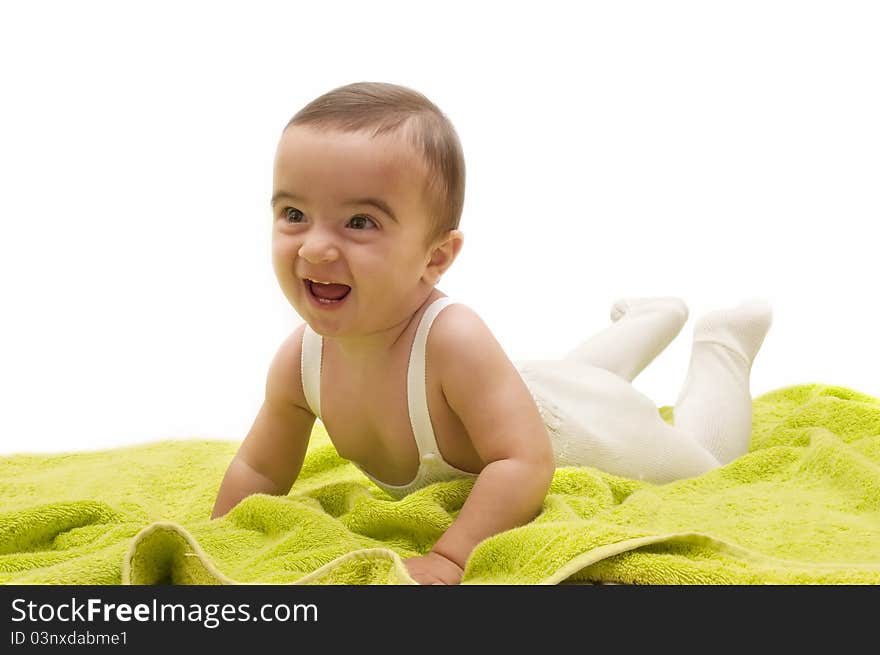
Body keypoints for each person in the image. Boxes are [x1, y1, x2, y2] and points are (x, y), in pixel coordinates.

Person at [210, 82, 773, 585]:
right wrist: (219, 540)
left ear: (435, 257)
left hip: (584, 436)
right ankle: (655, 317)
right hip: (529, 392)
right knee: (579, 378)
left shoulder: (452, 340)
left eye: (360, 222)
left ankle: (723, 341)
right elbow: (260, 469)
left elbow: (524, 462)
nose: (314, 247)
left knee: (702, 460)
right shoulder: (300, 360)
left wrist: (454, 557)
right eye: (293, 214)